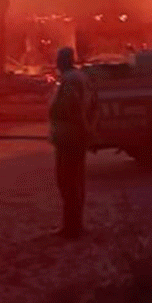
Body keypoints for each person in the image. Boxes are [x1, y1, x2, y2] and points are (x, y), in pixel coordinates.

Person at [49, 47, 98, 239]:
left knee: (68, 183)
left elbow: (71, 108)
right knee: (74, 183)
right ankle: (73, 225)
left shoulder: (70, 80)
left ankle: (72, 228)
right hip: (74, 136)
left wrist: (81, 130)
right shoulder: (79, 78)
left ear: (63, 61)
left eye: (58, 59)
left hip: (69, 138)